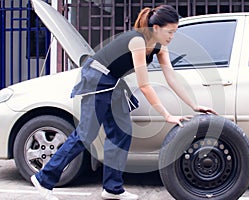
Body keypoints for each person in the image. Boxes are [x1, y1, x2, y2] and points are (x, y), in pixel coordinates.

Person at [30, 5, 217, 200]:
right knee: (86, 134)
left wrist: (194, 105)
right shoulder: (137, 41)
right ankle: (44, 179)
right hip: (96, 78)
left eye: (174, 32)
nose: (172, 36)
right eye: (170, 32)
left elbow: (171, 77)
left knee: (121, 132)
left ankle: (112, 188)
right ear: (156, 28)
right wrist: (167, 115)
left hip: (114, 82)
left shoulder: (161, 47)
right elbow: (144, 85)